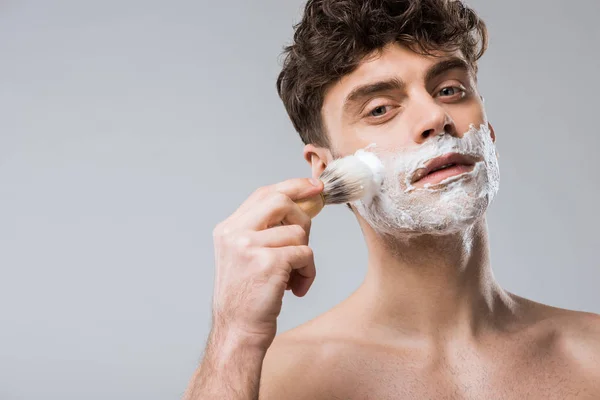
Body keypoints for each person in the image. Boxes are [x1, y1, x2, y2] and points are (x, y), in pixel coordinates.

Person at [184, 0, 600, 398]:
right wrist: (234, 335)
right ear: (324, 168)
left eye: (451, 90)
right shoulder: (268, 379)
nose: (436, 118)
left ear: (488, 131)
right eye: (381, 109)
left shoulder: (592, 356)